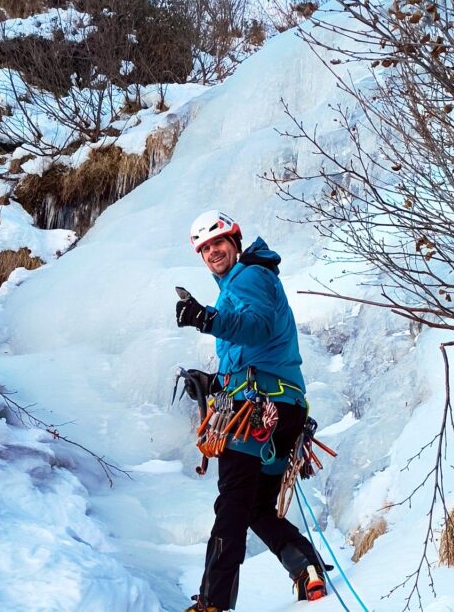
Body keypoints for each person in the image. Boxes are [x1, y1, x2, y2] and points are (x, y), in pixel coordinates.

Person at [176, 210, 326, 612]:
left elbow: (255, 326)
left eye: (218, 242)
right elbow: (253, 344)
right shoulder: (240, 286)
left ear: (235, 241)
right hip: (281, 411)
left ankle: (213, 603)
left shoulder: (251, 277)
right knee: (257, 506)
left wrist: (207, 318)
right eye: (204, 248)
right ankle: (306, 567)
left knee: (232, 504)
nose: (212, 252)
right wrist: (214, 384)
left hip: (257, 413)